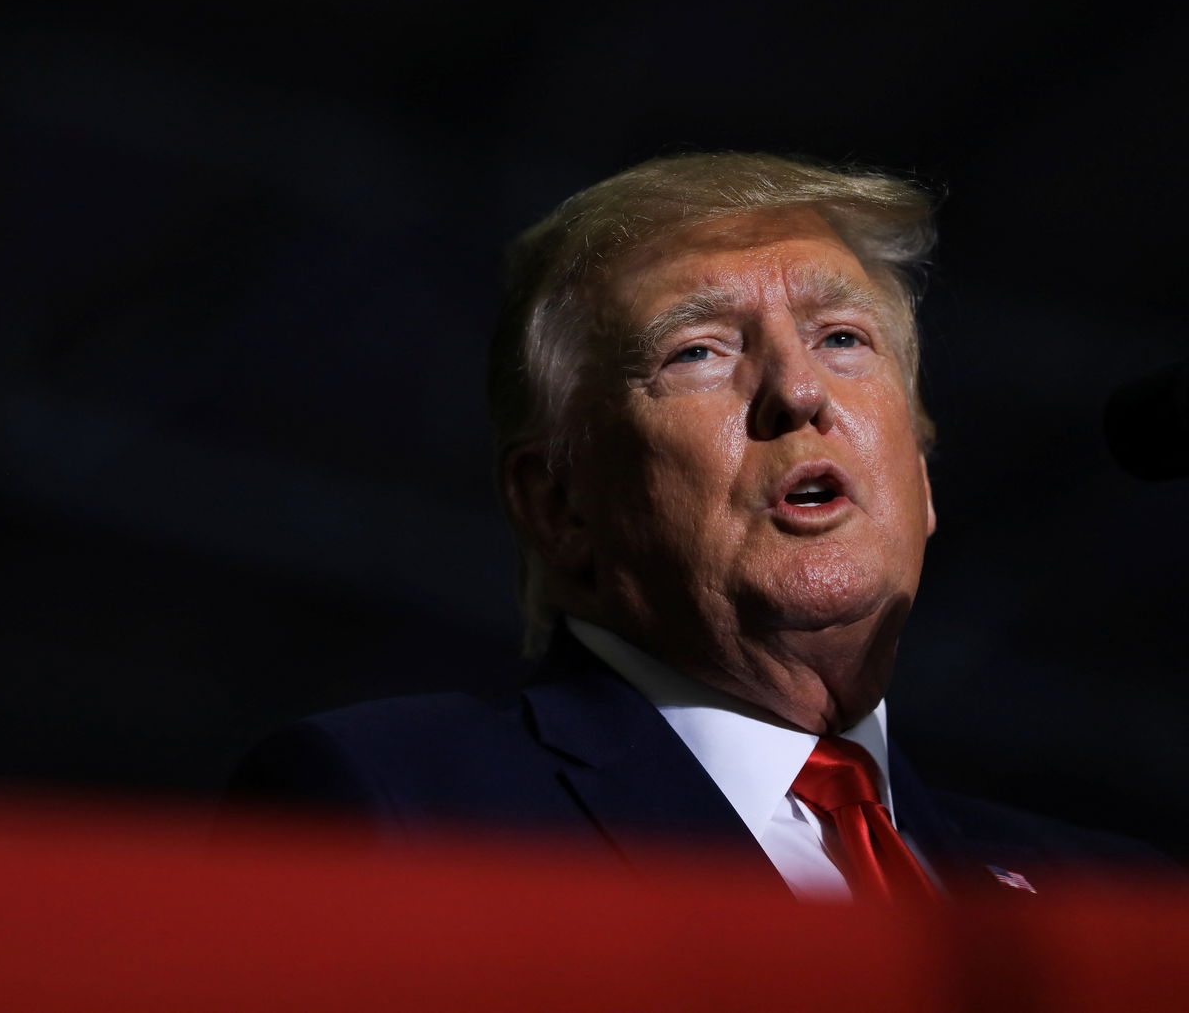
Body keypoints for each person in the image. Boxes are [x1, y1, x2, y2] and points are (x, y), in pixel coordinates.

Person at [227, 152, 1173, 901]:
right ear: (561, 506)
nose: (799, 392)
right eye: (700, 351)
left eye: (842, 338)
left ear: (920, 481)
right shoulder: (403, 807)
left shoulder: (1117, 896)